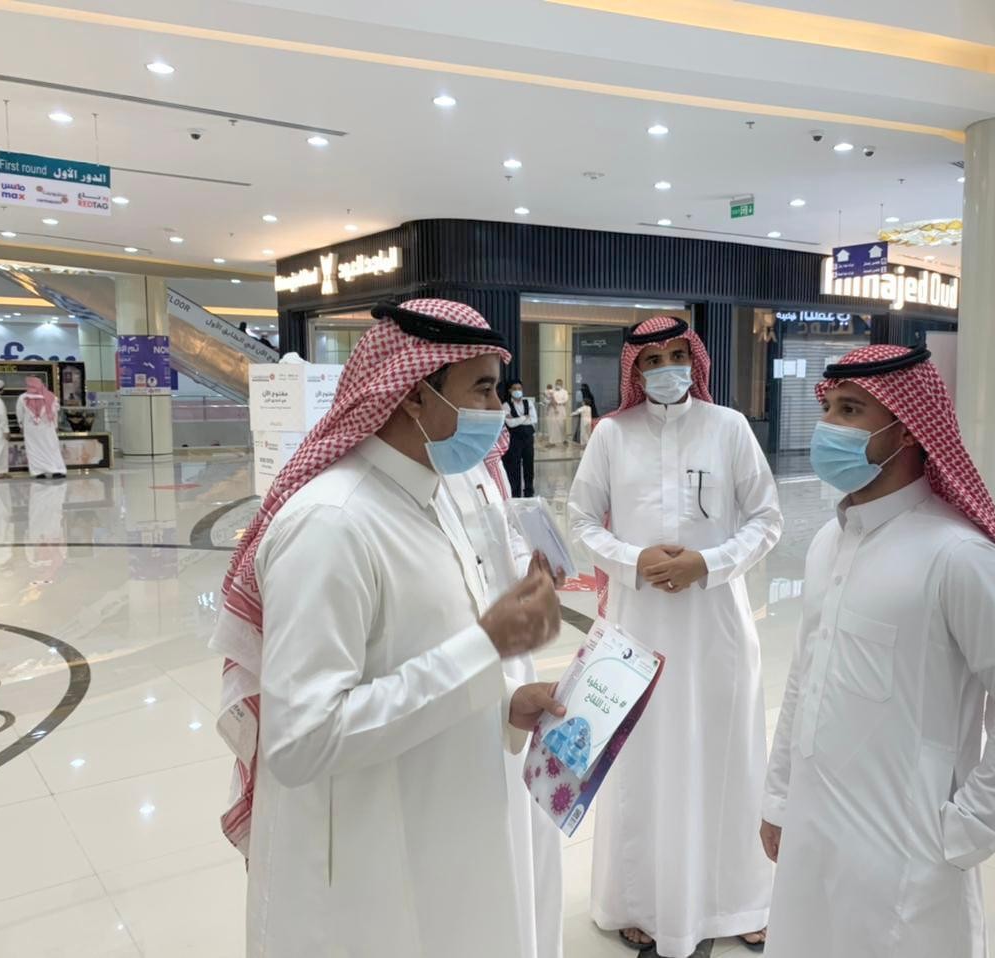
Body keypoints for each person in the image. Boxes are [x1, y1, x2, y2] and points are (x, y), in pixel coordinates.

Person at [208, 298, 566, 958]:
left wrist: (505, 703)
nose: (498, 409)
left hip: (451, 824)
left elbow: (420, 659)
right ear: (414, 394)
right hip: (370, 860)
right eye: (482, 389)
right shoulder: (332, 525)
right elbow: (303, 740)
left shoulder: (443, 492)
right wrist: (486, 645)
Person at [760, 344, 995, 958]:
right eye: (829, 407)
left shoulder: (960, 557)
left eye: (851, 410)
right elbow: (804, 678)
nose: (829, 427)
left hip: (908, 856)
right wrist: (779, 798)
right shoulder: (828, 542)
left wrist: (968, 829)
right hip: (812, 831)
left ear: (906, 428)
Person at [568, 316, 782, 956]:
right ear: (634, 369)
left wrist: (707, 564)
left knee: (727, 757)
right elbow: (581, 520)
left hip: (717, 622)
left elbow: (766, 518)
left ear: (695, 359)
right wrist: (634, 560)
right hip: (639, 623)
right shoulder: (611, 435)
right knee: (644, 760)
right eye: (652, 358)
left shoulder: (729, 428)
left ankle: (740, 900)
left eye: (676, 354)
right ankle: (639, 900)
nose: (666, 368)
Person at [444, 431, 565, 958]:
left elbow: (502, 545)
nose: (494, 410)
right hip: (450, 688)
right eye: (482, 392)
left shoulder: (479, 465)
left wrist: (532, 575)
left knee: (525, 837)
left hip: (510, 671)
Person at [15, 377, 67, 479]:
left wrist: (21, 425)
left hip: (31, 429)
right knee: (51, 448)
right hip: (47, 428)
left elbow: (20, 413)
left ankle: (38, 472)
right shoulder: (51, 396)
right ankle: (57, 470)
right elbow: (55, 414)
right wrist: (56, 426)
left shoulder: (23, 398)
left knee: (34, 449)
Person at [503, 380, 537, 497]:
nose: (517, 391)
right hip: (514, 439)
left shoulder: (529, 403)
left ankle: (529, 491)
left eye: (519, 388)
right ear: (510, 390)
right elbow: (510, 423)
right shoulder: (506, 405)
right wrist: (524, 418)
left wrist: (517, 419)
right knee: (514, 466)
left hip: (528, 438)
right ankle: (515, 493)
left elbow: (534, 419)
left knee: (529, 465)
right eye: (515, 389)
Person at [546, 378, 569, 446]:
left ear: (562, 384)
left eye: (559, 384)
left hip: (561, 408)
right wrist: (550, 402)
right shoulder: (552, 391)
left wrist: (557, 402)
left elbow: (565, 399)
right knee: (552, 425)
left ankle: (564, 439)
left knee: (561, 424)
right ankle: (552, 441)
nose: (558, 385)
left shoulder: (564, 392)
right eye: (557, 384)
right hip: (552, 409)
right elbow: (547, 399)